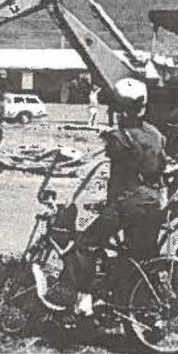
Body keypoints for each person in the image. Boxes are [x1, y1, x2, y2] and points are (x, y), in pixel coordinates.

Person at [64, 78, 168, 316]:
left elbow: (118, 178)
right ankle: (138, 301)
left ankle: (85, 300)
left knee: (85, 243)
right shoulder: (156, 135)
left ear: (119, 109)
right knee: (141, 254)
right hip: (153, 203)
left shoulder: (118, 138)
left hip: (127, 202)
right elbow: (160, 168)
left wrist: (109, 204)